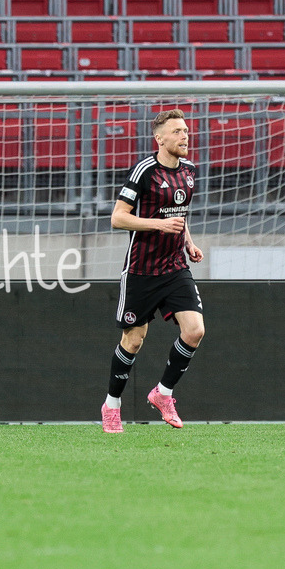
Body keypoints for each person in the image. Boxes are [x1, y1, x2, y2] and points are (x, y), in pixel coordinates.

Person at [101, 109, 205, 433]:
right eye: (177, 131)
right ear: (160, 139)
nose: (185, 136)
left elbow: (179, 214)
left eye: (186, 130)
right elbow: (118, 218)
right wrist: (158, 224)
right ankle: (111, 405)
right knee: (133, 340)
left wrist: (188, 242)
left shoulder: (189, 172)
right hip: (141, 271)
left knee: (195, 330)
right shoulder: (144, 171)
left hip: (175, 267)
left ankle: (163, 393)